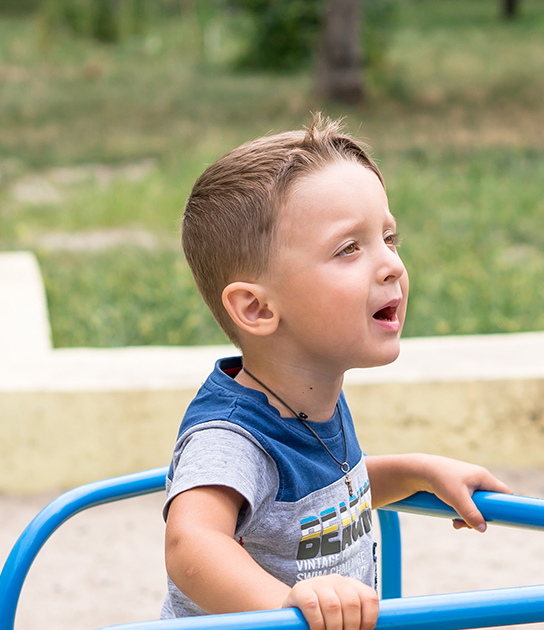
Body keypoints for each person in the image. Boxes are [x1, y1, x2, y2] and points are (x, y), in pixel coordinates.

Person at [162, 113, 511, 630]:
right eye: (349, 248)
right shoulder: (231, 438)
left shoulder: (307, 392)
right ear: (257, 309)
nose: (391, 264)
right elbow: (191, 543)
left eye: (389, 239)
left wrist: (415, 470)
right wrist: (289, 605)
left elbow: (315, 502)